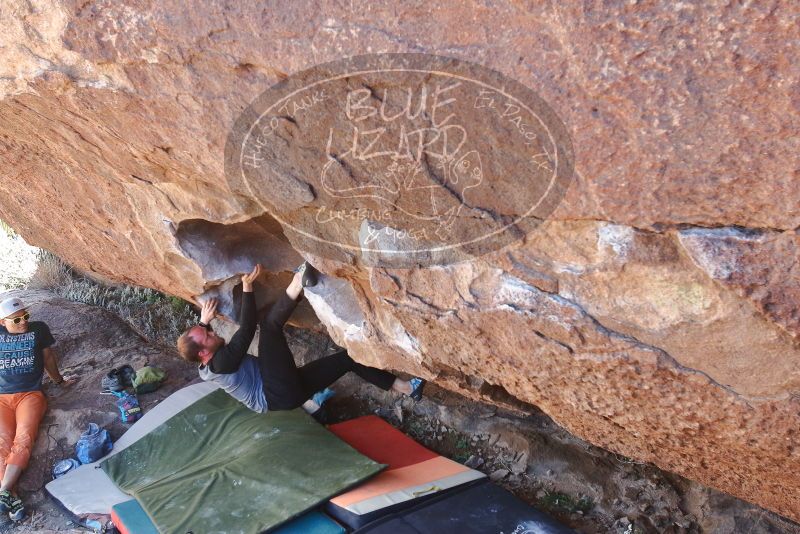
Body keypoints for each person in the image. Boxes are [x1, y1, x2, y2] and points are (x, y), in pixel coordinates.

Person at [177, 263, 425, 414]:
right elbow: (248, 327)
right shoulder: (222, 364)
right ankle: (299, 280)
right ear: (203, 353)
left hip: (287, 395)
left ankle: (406, 389)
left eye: (208, 329)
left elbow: (201, 341)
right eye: (208, 335)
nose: (212, 331)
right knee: (270, 326)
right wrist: (247, 286)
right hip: (275, 392)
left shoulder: (205, 362)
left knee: (348, 360)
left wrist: (202, 322)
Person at [0, 297, 73, 522]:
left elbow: (48, 358)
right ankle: (8, 494)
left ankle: (4, 494)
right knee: (2, 442)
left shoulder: (38, 329)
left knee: (23, 438)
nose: (23, 322)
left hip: (30, 395)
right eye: (16, 320)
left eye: (26, 316)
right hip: (1, 398)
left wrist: (60, 381)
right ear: (3, 322)